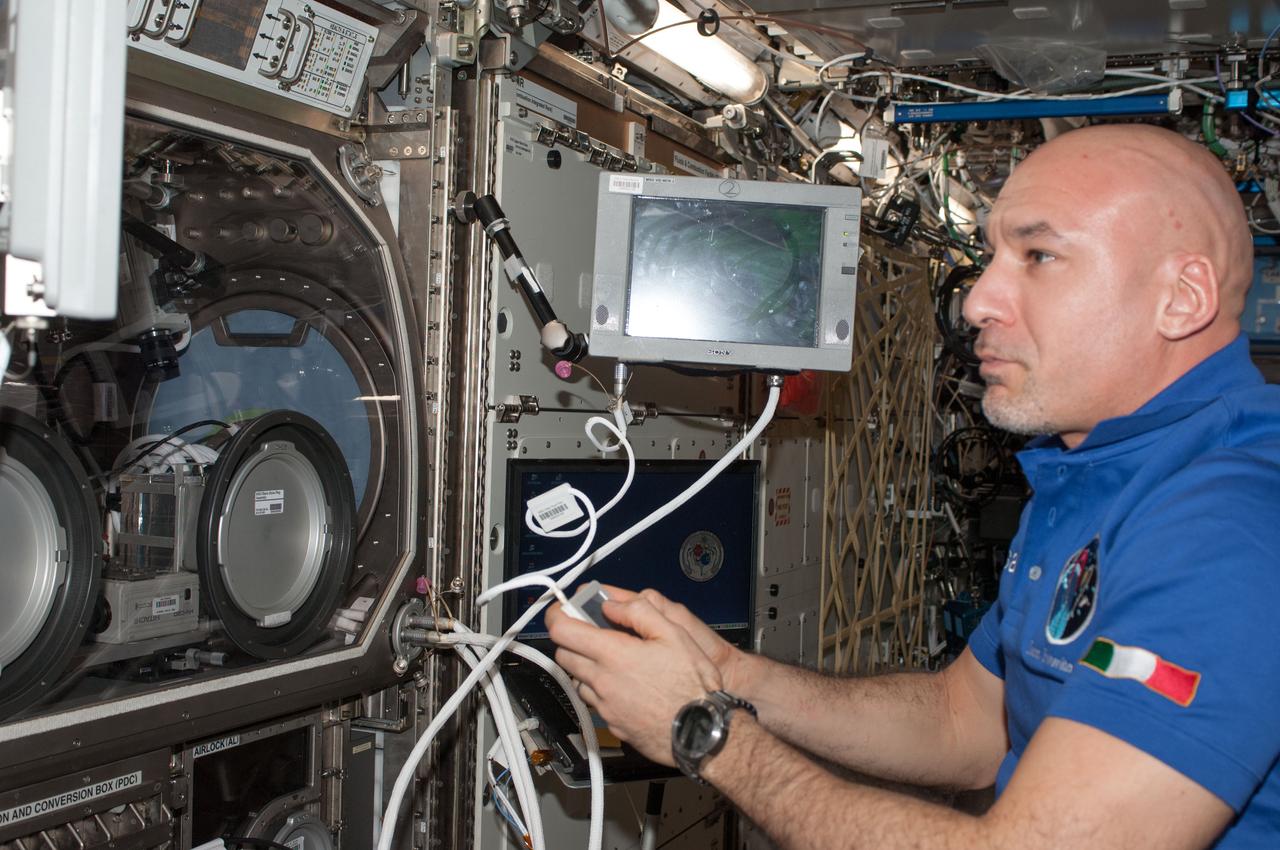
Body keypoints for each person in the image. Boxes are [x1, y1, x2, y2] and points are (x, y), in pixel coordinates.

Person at [546, 123, 1280, 849]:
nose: (978, 302)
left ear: (1182, 299)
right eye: (994, 254)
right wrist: (729, 673)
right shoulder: (1101, 471)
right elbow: (963, 721)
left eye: (1040, 255)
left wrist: (702, 731)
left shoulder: (1230, 526)